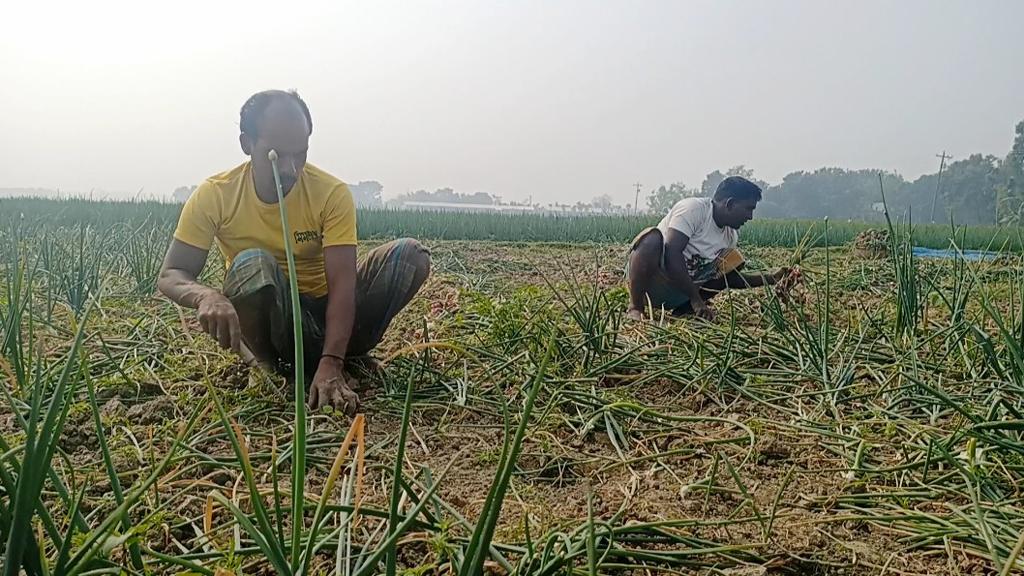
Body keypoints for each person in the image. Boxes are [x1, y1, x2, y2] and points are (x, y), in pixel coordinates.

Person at [158, 89, 430, 415]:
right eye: (275, 155)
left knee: (410, 257)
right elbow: (171, 274)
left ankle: (341, 357)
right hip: (278, 324)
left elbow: (344, 285)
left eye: (299, 154)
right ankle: (270, 366)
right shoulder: (216, 195)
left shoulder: (331, 193)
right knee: (251, 264)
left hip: (329, 315)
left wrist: (332, 363)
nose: (289, 168)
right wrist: (205, 296)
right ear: (247, 144)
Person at [626, 176, 788, 321]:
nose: (750, 216)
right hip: (650, 281)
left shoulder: (730, 236)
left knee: (733, 261)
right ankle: (635, 307)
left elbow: (729, 278)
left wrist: (772, 278)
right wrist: (696, 299)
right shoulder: (693, 210)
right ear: (730, 204)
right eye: (748, 209)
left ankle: (684, 311)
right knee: (651, 239)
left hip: (679, 294)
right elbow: (672, 253)